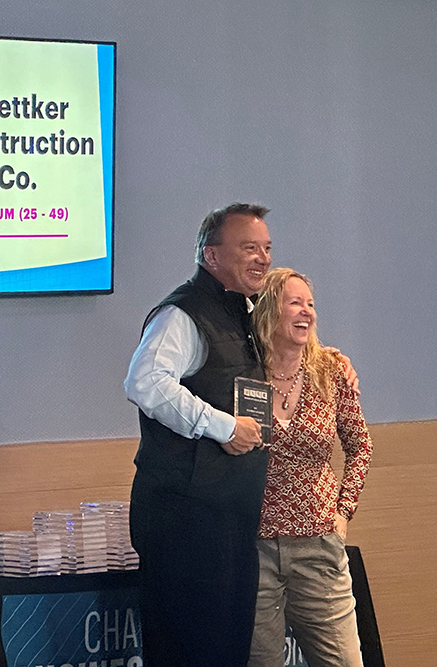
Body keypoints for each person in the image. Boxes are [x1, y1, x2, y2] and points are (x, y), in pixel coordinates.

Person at [124, 203, 357, 667]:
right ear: (211, 256)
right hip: (185, 525)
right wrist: (222, 425)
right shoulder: (184, 315)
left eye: (267, 248)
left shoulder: (243, 315)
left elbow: (284, 341)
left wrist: (327, 358)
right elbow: (144, 382)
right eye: (249, 248)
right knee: (191, 653)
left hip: (231, 527)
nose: (263, 258)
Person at [247, 268, 373, 667]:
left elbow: (360, 445)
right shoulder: (242, 370)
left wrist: (343, 511)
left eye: (311, 304)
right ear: (269, 310)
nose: (307, 313)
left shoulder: (331, 370)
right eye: (295, 303)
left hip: (318, 544)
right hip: (253, 548)